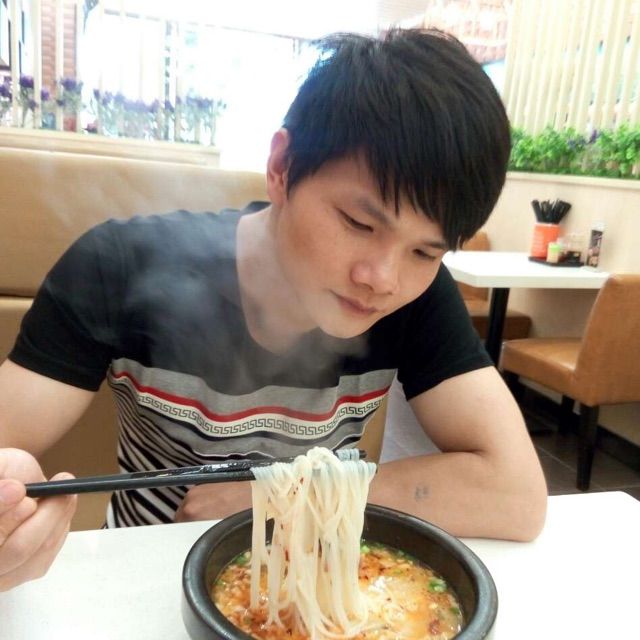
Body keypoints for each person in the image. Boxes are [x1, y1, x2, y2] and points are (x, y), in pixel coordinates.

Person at [0, 28, 547, 592]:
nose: (383, 280)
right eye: (359, 223)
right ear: (282, 166)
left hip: (320, 586)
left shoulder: (419, 297)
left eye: (425, 252)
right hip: (144, 579)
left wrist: (282, 498)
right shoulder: (117, 265)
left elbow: (517, 495)